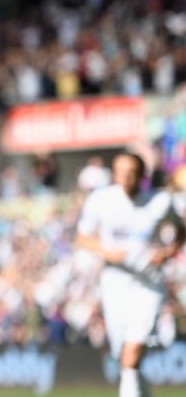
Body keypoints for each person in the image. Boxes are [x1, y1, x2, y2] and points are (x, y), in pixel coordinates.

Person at [75, 152, 186, 397]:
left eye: (131, 172)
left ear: (142, 175)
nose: (125, 177)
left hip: (148, 283)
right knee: (124, 357)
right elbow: (82, 237)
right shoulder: (100, 200)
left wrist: (168, 252)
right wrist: (108, 252)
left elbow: (180, 230)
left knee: (132, 352)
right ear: (114, 174)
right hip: (114, 281)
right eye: (120, 172)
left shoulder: (160, 200)